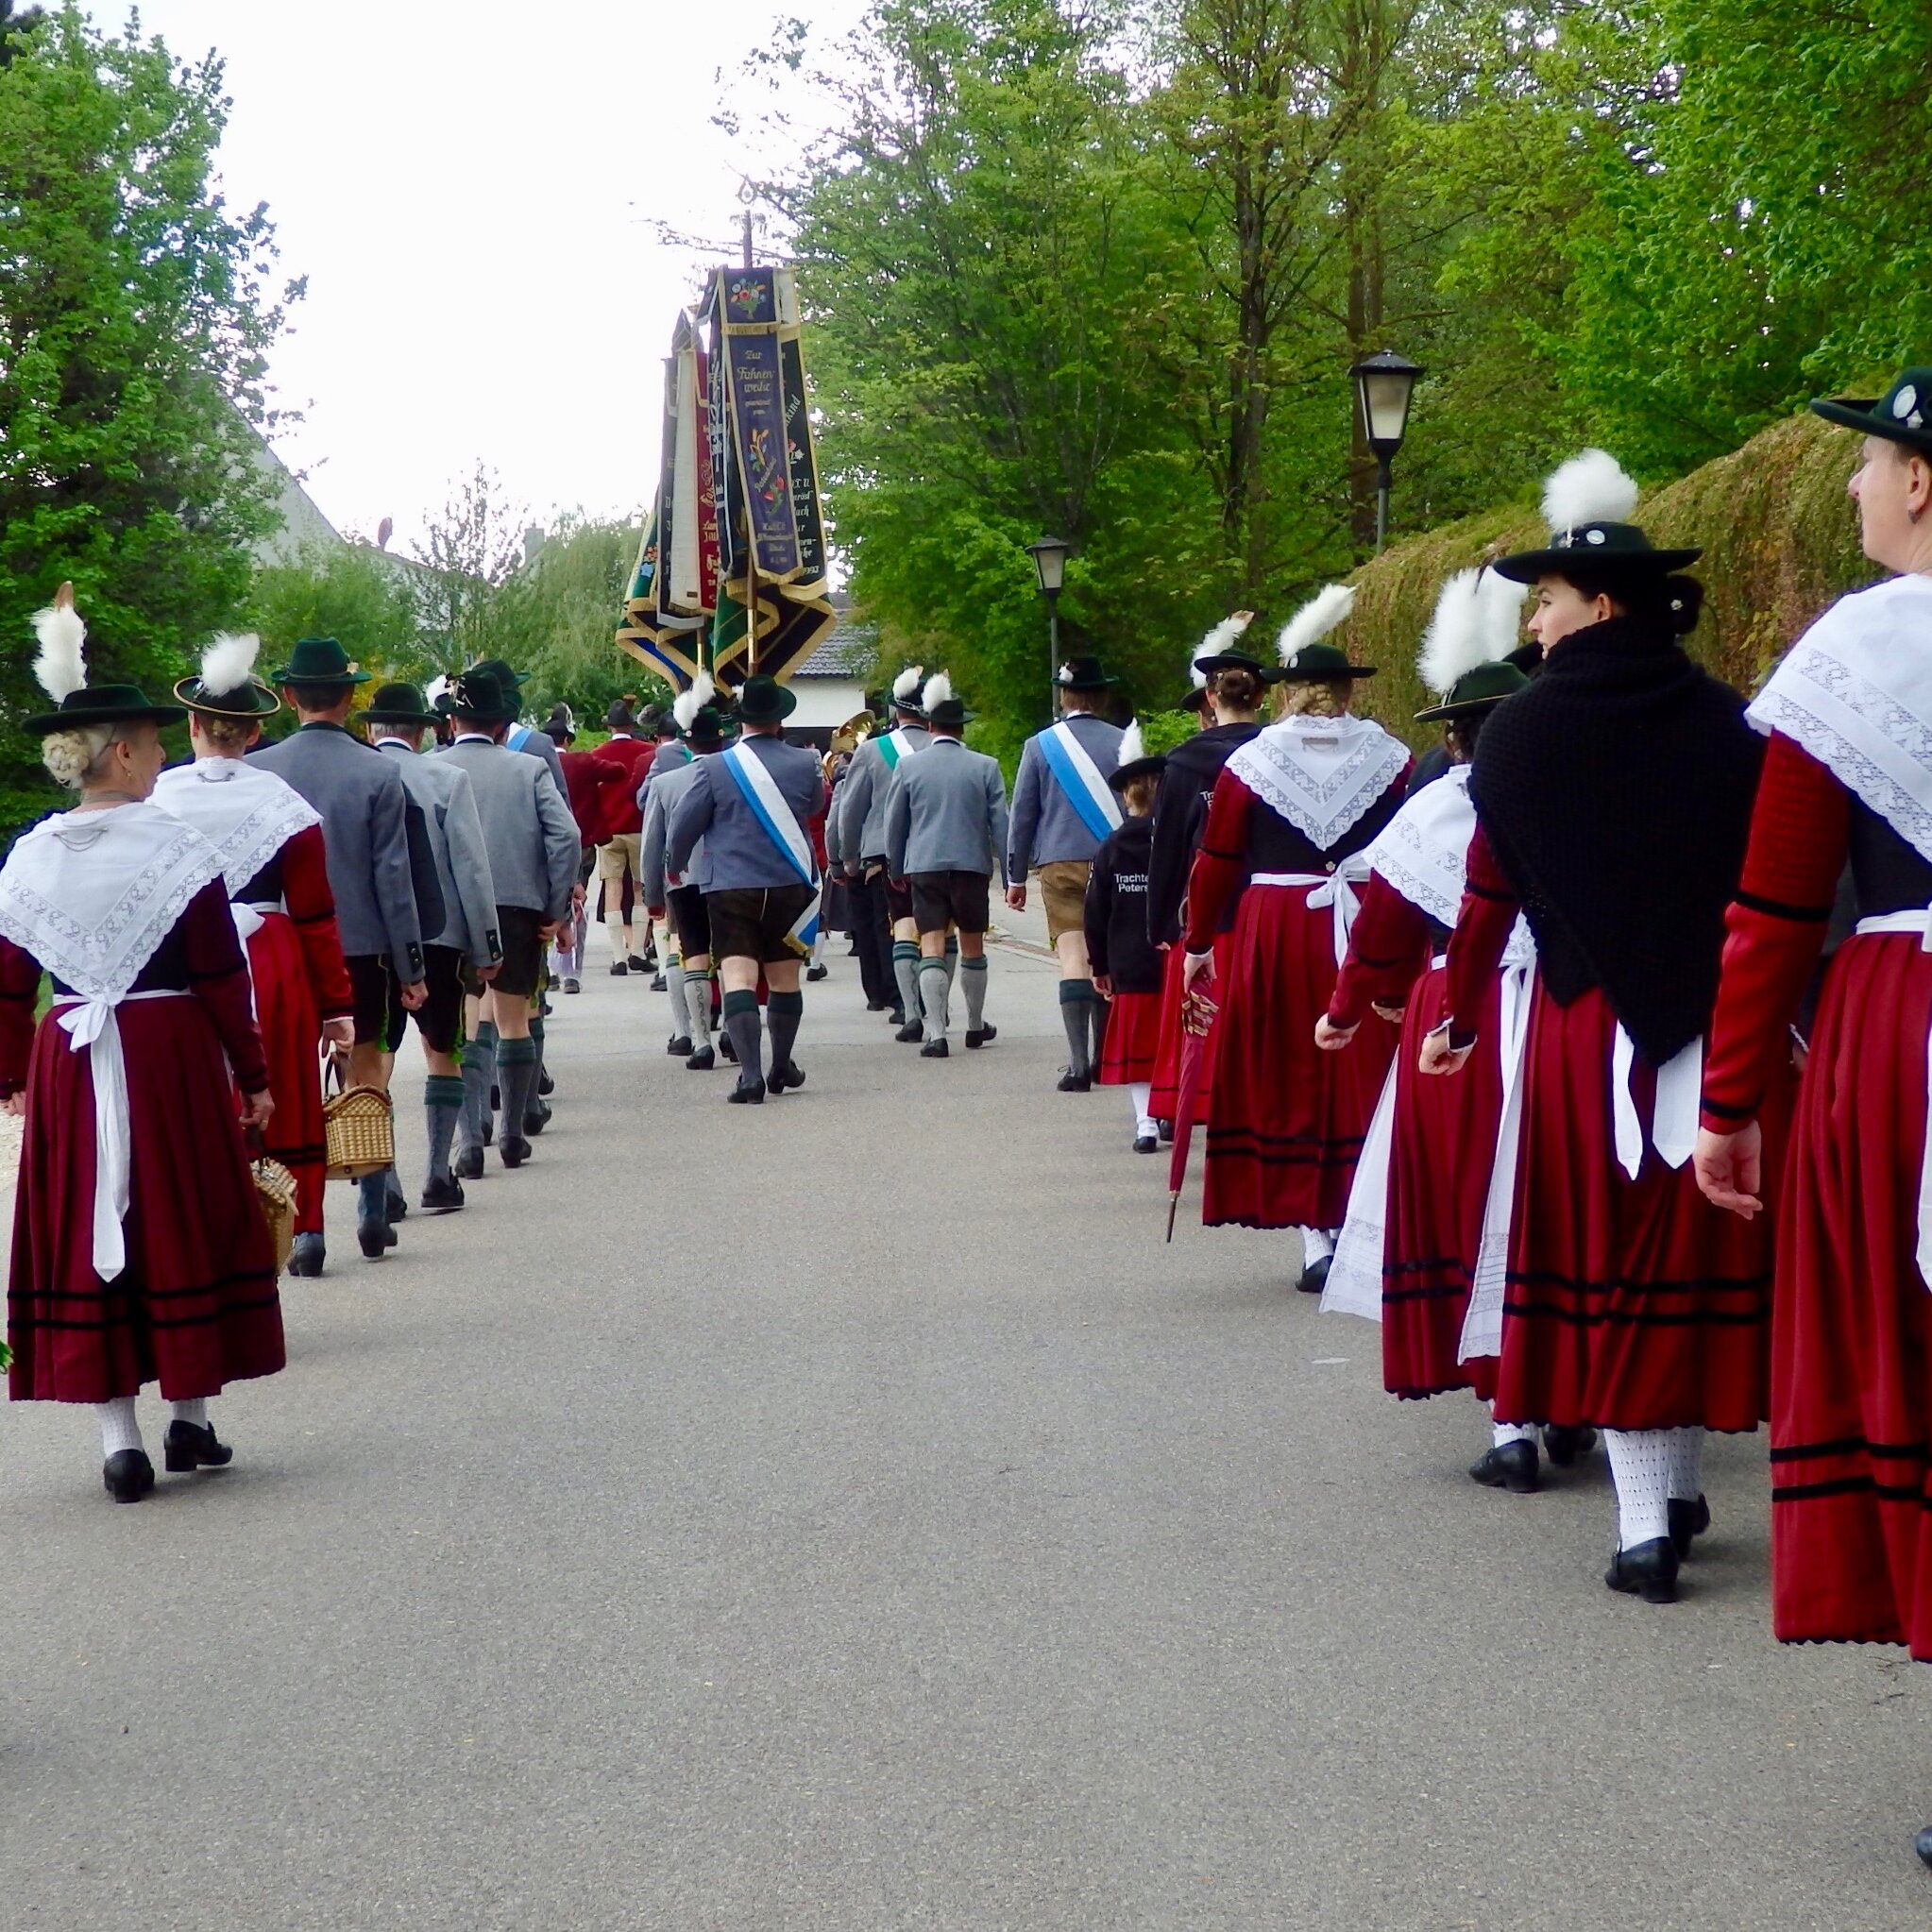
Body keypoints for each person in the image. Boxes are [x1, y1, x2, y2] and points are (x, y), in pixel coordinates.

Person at [1423, 449, 1771, 1607]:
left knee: (1606, 1270)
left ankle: (1643, 1527)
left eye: (1547, 599)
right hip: (1713, 1030)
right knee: (1675, 1265)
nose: (1532, 620)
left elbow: (1491, 892)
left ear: (1601, 606)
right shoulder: (1732, 722)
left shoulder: (1516, 738)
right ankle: (1667, 1496)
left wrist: (1460, 1018)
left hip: (1587, 1034)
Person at [1694, 373, 1932, 1856]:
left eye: (1866, 465)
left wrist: (1730, 1097)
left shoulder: (1852, 653)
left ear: (1920, 481)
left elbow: (1777, 900)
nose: (1848, 490)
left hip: (1899, 1029)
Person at [0, 590, 280, 1501]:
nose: (164, 756)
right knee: (180, 1215)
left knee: (93, 1219)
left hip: (72, 1057)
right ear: (120, 752)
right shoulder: (175, 846)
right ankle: (189, 1420)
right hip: (165, 1054)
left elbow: (8, 981)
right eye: (155, 744)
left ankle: (119, 1441)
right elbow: (217, 975)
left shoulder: (31, 855)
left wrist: (11, 1074)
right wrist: (254, 1074)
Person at [1313, 571, 1562, 1483]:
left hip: (1464, 1017)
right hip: (1572, 1015)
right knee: (1550, 1206)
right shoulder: (1575, 792)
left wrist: (1345, 1013)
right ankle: (1573, 1398)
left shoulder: (1437, 809)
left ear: (1457, 734)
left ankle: (1511, 1428)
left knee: (1472, 1210)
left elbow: (1381, 933)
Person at [1182, 587, 1410, 1289]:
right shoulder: (1391, 755)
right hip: (1368, 918)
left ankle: (1317, 1236)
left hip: (1278, 927)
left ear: (1290, 693)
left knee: (1291, 1067)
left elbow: (1218, 859)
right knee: (1366, 1069)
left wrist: (1197, 943)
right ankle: (1364, 1220)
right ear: (1343, 691)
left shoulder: (1252, 762)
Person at [153, 633, 353, 1278]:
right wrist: (336, 1007)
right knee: (287, 1091)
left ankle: (206, 1232)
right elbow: (317, 916)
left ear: (193, 726)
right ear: (252, 733)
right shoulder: (284, 806)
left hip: (185, 963)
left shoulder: (157, 799)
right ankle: (304, 1222)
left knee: (200, 1094)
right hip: (272, 959)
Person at [250, 637, 432, 1262]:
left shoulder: (259, 771)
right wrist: (412, 967)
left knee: (292, 1081)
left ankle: (304, 1229)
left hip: (279, 948)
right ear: (352, 699)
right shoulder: (380, 773)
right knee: (369, 1073)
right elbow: (394, 882)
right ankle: (373, 1208)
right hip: (365, 948)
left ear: (291, 695)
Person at [362, 682, 503, 1213]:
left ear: (371, 729)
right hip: (439, 935)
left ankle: (386, 1181)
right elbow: (470, 866)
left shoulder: (356, 776)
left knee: (374, 1062)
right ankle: (438, 1173)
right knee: (443, 1051)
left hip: (370, 942)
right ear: (421, 732)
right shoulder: (447, 779)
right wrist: (487, 944)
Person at [434, 670, 580, 1170]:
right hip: (517, 905)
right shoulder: (529, 768)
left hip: (450, 913)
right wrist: (555, 906)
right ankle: (513, 1131)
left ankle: (470, 1137)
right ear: (503, 724)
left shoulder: (429, 767)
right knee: (514, 1019)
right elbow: (566, 838)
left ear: (452, 721)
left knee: (466, 1021)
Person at [666, 674, 826, 1103]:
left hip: (731, 886)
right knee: (784, 977)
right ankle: (781, 1065)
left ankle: (750, 1076)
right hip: (789, 880)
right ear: (779, 719)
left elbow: (685, 825)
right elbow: (815, 806)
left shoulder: (713, 766)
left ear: (739, 721)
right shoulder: (805, 762)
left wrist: (676, 864)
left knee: (737, 974)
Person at [1147, 614, 1271, 1136]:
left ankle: (1201, 1102)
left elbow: (1169, 848)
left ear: (1210, 700)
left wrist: (1159, 924)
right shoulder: (1277, 754)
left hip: (1207, 911)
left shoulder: (1183, 763)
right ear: (1260, 698)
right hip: (1268, 906)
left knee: (1204, 1016)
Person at [1007, 655, 1126, 1090]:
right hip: (1117, 862)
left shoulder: (1040, 745)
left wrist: (1015, 877)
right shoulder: (1125, 740)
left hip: (1059, 863)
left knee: (1073, 956)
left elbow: (1023, 816)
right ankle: (1107, 1058)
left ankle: (1077, 1065)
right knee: (1107, 956)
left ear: (1064, 696)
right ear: (1102, 694)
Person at [882, 673, 1008, 1059]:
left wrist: (895, 865)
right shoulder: (986, 766)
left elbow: (894, 823)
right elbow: (1000, 823)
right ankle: (973, 1024)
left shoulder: (909, 767)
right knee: (972, 944)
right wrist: (1011, 871)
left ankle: (936, 1033)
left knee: (931, 944)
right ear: (962, 729)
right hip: (971, 865)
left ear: (931, 726)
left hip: (925, 865)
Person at [642, 683, 737, 1069]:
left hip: (682, 880)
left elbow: (653, 844)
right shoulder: (739, 777)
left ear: (685, 741)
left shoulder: (664, 784)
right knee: (733, 956)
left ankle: (700, 1041)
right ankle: (732, 1028)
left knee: (693, 954)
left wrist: (652, 892)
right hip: (731, 877)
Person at [1084, 720, 1166, 1150]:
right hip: (1172, 960)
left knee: (1138, 1051)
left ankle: (1145, 1124)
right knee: (1170, 1041)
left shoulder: (1111, 849)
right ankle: (1170, 1111)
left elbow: (1095, 911)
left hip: (1128, 962)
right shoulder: (1177, 845)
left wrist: (1099, 964)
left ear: (1124, 796)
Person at [839, 666, 932, 1033]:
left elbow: (851, 809)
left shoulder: (872, 750)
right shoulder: (944, 744)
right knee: (937, 930)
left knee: (895, 928)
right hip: (935, 852)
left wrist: (848, 856)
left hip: (884, 854)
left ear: (896, 710)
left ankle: (903, 1003)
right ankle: (932, 1000)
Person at [544, 704, 625, 993]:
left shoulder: (531, 764)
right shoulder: (582, 762)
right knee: (575, 901)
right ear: (567, 739)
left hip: (541, 845)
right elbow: (618, 771)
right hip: (581, 843)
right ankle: (572, 973)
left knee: (542, 904)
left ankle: (548, 969)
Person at [592, 694, 656, 974]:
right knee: (640, 889)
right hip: (640, 827)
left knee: (613, 888)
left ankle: (618, 957)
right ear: (632, 725)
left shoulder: (596, 754)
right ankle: (638, 951)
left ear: (610, 727)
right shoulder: (647, 752)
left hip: (609, 830)